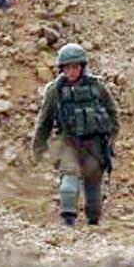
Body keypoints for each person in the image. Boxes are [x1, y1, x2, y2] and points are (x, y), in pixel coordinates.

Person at [32, 43, 120, 227]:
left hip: (95, 145)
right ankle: (68, 225)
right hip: (68, 143)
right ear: (61, 68)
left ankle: (92, 226)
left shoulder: (97, 87)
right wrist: (39, 147)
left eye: (75, 67)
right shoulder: (54, 90)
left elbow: (113, 114)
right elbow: (44, 121)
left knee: (93, 191)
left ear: (82, 66)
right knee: (68, 183)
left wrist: (111, 141)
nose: (71, 71)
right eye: (67, 67)